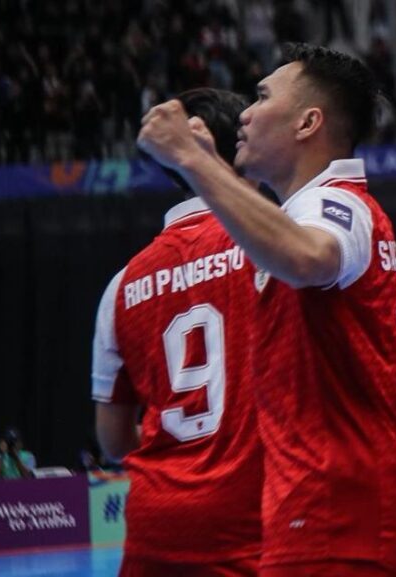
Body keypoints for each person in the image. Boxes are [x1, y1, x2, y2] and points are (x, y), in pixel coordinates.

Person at [137, 43, 396, 577]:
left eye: (262, 97)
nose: (244, 114)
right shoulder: (307, 209)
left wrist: (193, 161)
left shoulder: (335, 203)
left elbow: (308, 256)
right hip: (325, 513)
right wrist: (207, 164)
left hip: (341, 520)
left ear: (307, 123)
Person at [92, 87, 264, 576]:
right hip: (253, 523)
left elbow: (113, 440)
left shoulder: (122, 285)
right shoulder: (276, 246)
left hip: (156, 529)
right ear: (241, 148)